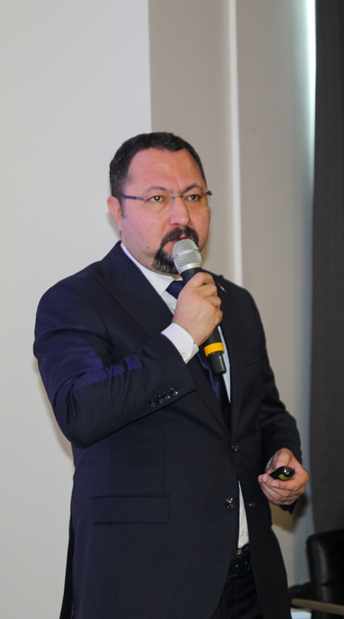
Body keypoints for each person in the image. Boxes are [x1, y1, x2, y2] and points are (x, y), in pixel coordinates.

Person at [34, 132, 309, 619]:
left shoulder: (234, 302)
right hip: (146, 587)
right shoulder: (75, 301)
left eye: (194, 196)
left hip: (252, 584)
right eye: (158, 198)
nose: (182, 215)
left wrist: (282, 455)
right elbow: (82, 411)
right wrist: (181, 335)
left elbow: (263, 411)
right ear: (117, 210)